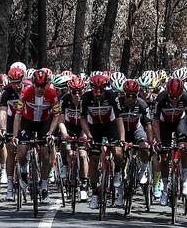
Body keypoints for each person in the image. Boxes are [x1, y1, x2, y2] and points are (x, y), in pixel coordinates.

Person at [12, 69, 61, 204]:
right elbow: (18, 114)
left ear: (47, 84)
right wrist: (15, 135)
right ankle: (23, 171)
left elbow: (57, 115)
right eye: (37, 85)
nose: (40, 88)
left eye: (43, 85)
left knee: (46, 155)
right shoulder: (25, 92)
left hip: (44, 124)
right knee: (21, 153)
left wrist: (50, 133)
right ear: (33, 83)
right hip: (27, 123)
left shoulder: (52, 94)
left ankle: (44, 187)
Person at [80, 75, 126, 210]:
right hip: (94, 128)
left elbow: (119, 118)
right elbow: (83, 119)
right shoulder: (85, 98)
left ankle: (117, 171)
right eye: (95, 89)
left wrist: (122, 139)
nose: (98, 92)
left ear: (105, 89)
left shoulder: (112, 96)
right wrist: (88, 136)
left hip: (111, 126)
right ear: (92, 89)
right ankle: (94, 194)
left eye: (101, 89)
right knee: (93, 158)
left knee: (118, 151)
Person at [152, 78, 187, 206]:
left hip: (180, 122)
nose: (174, 99)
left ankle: (184, 179)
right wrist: (158, 141)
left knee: (184, 148)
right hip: (164, 124)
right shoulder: (160, 99)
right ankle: (164, 189)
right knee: (164, 155)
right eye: (171, 96)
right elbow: (155, 122)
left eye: (177, 97)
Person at [49, 75, 89, 201]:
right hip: (69, 127)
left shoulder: (86, 100)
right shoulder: (64, 100)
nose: (77, 95)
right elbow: (60, 120)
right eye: (74, 92)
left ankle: (83, 186)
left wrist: (84, 135)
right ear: (69, 90)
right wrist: (65, 135)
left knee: (82, 155)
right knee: (67, 148)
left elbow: (87, 120)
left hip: (83, 128)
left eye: (79, 91)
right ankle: (65, 167)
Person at [116, 79, 154, 206]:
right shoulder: (118, 103)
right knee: (119, 155)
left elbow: (148, 125)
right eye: (128, 95)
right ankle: (119, 193)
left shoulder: (142, 104)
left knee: (144, 148)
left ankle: (143, 169)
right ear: (123, 94)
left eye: (134, 95)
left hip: (136, 130)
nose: (130, 98)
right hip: (121, 131)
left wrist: (149, 142)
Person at [0, 67, 26, 200]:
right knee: (10, 151)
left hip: (26, 120)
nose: (16, 85)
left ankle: (26, 169)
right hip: (11, 121)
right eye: (13, 82)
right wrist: (3, 129)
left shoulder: (28, 89)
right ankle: (9, 186)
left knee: (24, 150)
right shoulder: (5, 92)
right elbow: (3, 112)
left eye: (19, 81)